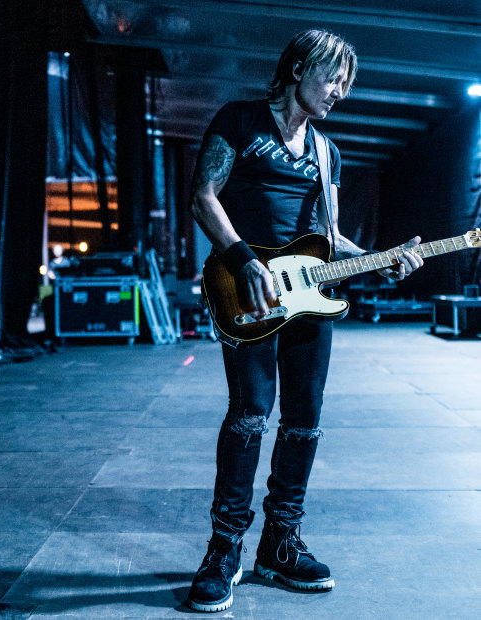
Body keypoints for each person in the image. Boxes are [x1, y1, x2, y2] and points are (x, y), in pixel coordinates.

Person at [185, 29, 424, 613]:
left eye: (347, 82)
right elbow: (202, 196)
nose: (341, 90)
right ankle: (224, 550)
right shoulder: (239, 121)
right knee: (249, 416)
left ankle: (279, 544)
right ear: (297, 69)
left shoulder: (327, 151)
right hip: (246, 290)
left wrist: (380, 261)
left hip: (309, 301)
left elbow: (330, 238)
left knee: (304, 423)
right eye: (333, 77)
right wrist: (243, 260)